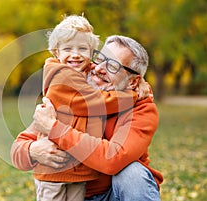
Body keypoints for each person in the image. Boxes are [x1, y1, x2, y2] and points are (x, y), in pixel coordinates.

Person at [13, 35, 163, 200]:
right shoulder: (73, 91)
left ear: (134, 82)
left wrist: (55, 129)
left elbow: (112, 158)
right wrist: (32, 151)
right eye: (99, 59)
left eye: (112, 66)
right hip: (74, 195)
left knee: (132, 174)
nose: (99, 68)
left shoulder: (142, 109)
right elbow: (18, 150)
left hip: (112, 194)